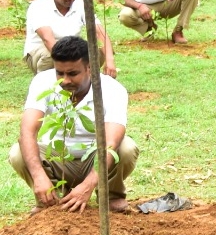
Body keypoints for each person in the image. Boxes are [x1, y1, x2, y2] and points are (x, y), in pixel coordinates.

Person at [9, 36, 137, 213]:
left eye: (72, 74)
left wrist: (88, 184)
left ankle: (111, 196)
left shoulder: (112, 89)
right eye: (59, 73)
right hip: (58, 159)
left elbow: (110, 143)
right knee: (18, 153)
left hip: (94, 159)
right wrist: (38, 176)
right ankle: (52, 200)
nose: (65, 80)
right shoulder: (42, 82)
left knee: (125, 148)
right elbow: (27, 132)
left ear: (90, 68)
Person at [24, 0, 116, 77]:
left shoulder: (81, 5)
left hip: (71, 50)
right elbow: (47, 40)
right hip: (41, 52)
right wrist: (70, 63)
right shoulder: (39, 6)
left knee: (95, 51)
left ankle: (81, 82)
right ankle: (45, 82)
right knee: (50, 56)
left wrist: (109, 60)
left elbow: (99, 32)